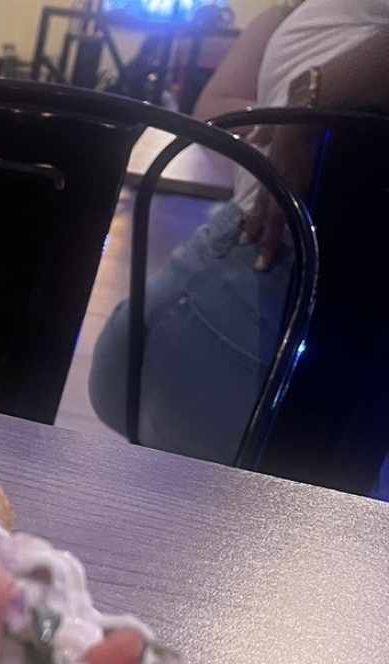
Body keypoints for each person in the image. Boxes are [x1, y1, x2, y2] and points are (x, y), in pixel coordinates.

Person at [88, 0, 389, 484]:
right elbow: (215, 104)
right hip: (263, 295)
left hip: (309, 307)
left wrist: (316, 100)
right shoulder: (293, 10)